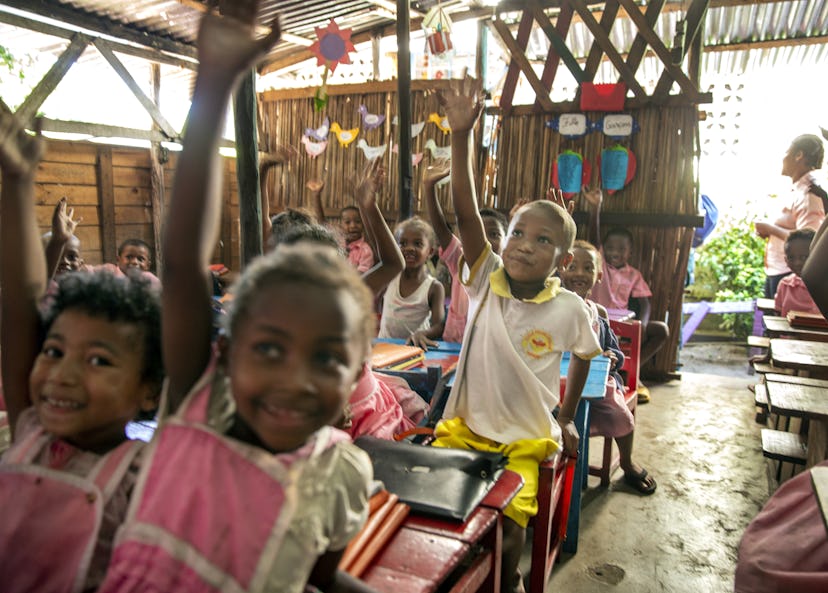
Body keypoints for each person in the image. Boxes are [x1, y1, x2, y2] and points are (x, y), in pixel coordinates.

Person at [97, 8, 376, 592]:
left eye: (326, 359)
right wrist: (215, 85)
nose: (295, 379)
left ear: (355, 375)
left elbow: (315, 578)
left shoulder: (342, 472)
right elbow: (180, 266)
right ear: (223, 350)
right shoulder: (199, 408)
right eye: (269, 348)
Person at [431, 74, 601, 593]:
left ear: (563, 260)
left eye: (543, 240)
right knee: (439, 526)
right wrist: (462, 136)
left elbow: (587, 358)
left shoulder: (571, 309)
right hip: (464, 430)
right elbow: (465, 211)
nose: (524, 245)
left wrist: (567, 418)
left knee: (506, 538)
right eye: (518, 233)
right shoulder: (486, 278)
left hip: (526, 441)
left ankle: (512, 582)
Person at [0, 111, 163, 591]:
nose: (61, 374)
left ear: (149, 390)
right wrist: (17, 181)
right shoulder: (31, 424)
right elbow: (22, 300)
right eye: (52, 351)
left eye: (98, 360)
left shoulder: (143, 476)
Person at [559, 240, 656, 494]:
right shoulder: (552, 306)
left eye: (587, 268)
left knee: (621, 414)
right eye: (572, 266)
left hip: (597, 384)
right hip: (557, 382)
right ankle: (559, 472)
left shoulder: (598, 312)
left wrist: (612, 356)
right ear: (560, 269)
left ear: (598, 275)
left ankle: (626, 462)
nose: (579, 273)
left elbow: (613, 349)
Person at [583, 185, 668, 402]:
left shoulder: (634, 275)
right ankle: (623, 376)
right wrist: (595, 210)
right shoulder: (599, 264)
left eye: (621, 249)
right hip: (597, 321)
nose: (614, 253)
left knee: (661, 330)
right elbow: (594, 240)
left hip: (622, 326)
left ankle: (631, 371)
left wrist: (644, 324)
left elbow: (645, 303)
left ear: (630, 252)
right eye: (610, 248)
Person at [422, 161, 508, 343]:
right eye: (480, 234)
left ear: (506, 242)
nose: (484, 241)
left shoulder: (510, 274)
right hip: (453, 346)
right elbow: (440, 228)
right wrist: (429, 187)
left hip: (487, 351)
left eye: (493, 234)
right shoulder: (460, 261)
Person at [755, 134, 825, 298]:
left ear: (798, 155)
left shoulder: (809, 194)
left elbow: (810, 241)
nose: (783, 158)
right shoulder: (798, 189)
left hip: (789, 274)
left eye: (787, 152)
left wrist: (770, 229)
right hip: (779, 270)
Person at [378, 216, 446, 349]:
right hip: (384, 347)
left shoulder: (434, 287)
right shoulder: (389, 278)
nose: (409, 248)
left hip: (413, 349)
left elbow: (439, 325)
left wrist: (423, 334)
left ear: (430, 252)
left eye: (418, 244)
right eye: (402, 243)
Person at [310, 179, 377, 273]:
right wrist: (316, 196)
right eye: (347, 222)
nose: (353, 225)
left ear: (363, 224)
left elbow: (361, 276)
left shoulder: (365, 251)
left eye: (357, 221)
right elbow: (322, 224)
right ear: (341, 225)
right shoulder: (338, 241)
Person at [774, 228, 819, 317]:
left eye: (804, 257)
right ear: (786, 260)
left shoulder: (823, 286)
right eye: (791, 258)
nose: (797, 262)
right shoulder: (785, 285)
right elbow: (778, 316)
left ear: (817, 256)